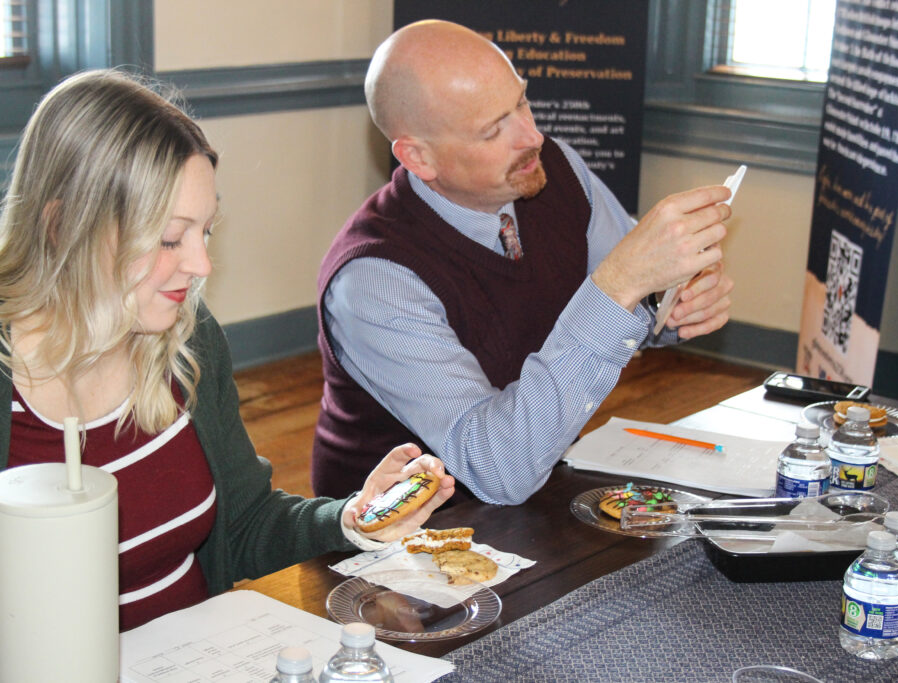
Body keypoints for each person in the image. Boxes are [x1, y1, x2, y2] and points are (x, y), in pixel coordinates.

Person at [0, 69, 454, 679]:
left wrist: (354, 518)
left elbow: (247, 524)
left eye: (205, 231)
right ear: (64, 226)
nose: (199, 264)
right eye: (170, 238)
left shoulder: (186, 342)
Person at [311, 19, 734, 504]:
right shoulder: (374, 278)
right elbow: (496, 468)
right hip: (394, 544)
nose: (531, 136)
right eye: (494, 130)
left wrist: (673, 305)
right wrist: (618, 287)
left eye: (522, 102)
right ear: (419, 158)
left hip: (540, 493)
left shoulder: (553, 169)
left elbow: (638, 301)